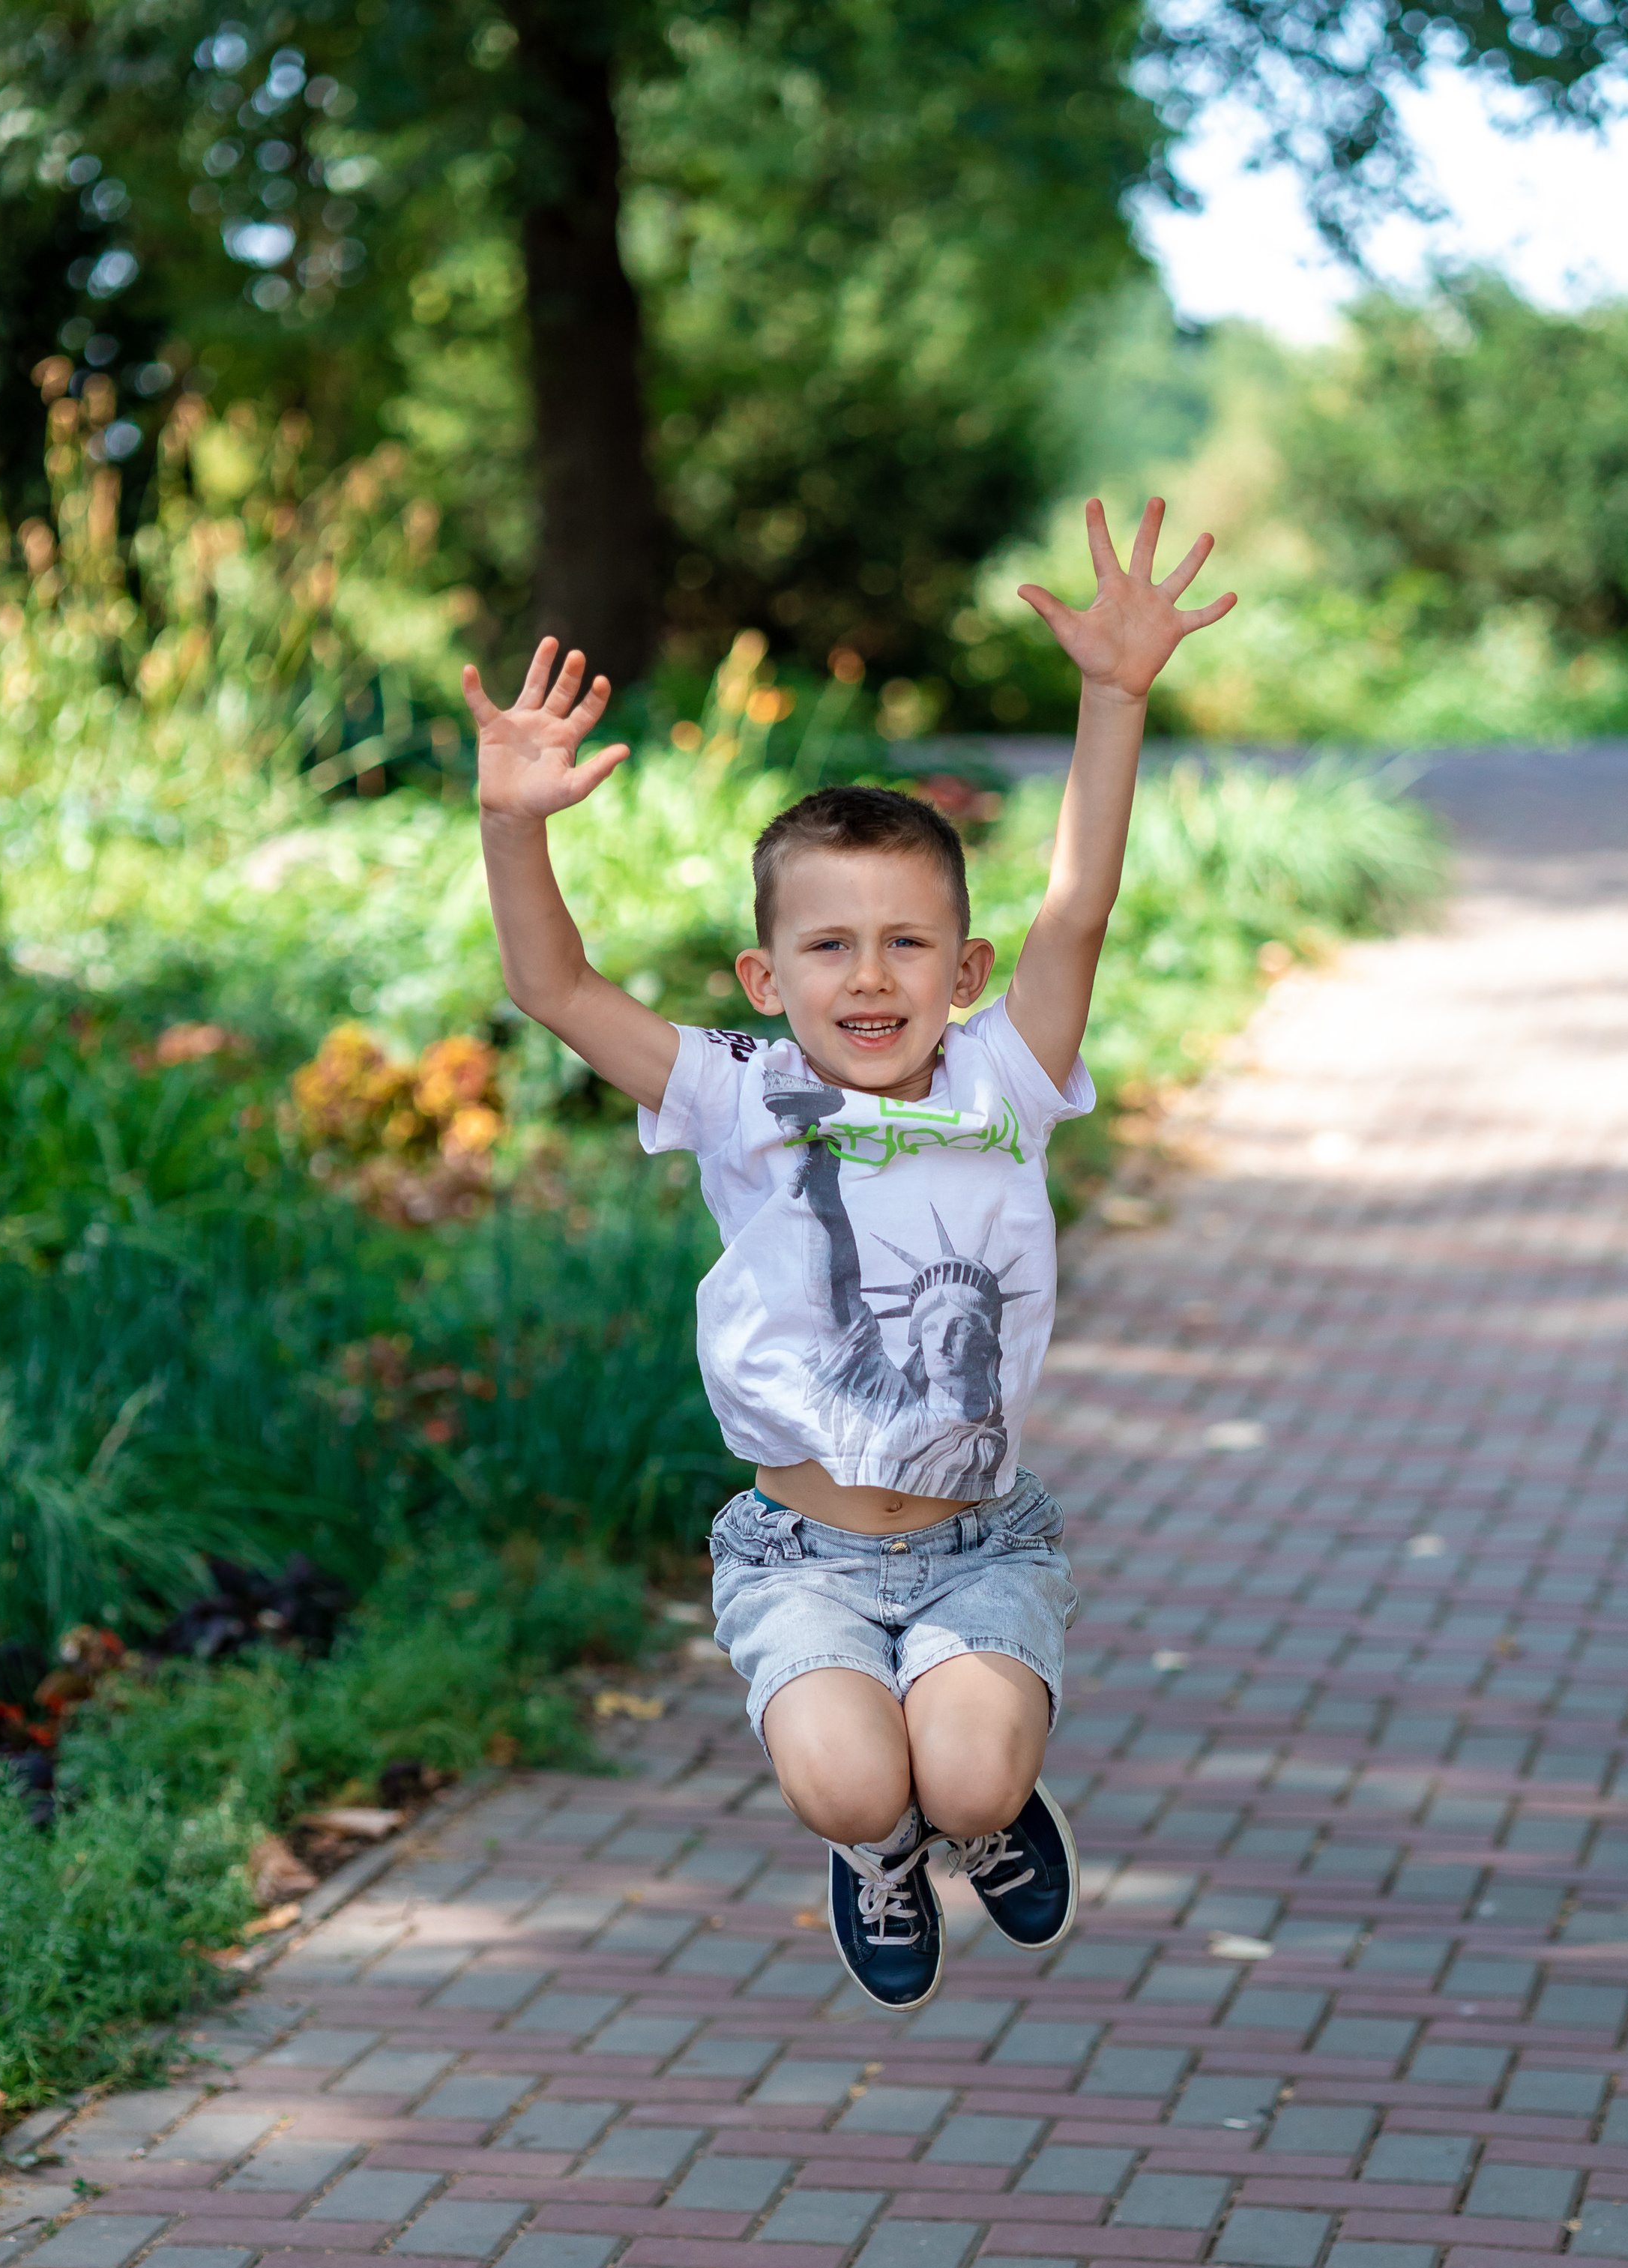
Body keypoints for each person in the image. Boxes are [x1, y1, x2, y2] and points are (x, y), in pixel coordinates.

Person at [465, 498, 1235, 2009]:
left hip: (976, 1546)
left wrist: (1113, 697)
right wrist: (511, 825)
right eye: (828, 946)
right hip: (799, 1555)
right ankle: (879, 1852)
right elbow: (554, 986)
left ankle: (984, 1819)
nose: (869, 976)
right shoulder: (734, 1091)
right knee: (849, 1786)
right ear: (766, 977)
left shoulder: (1004, 1077)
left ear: (965, 970)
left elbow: (1079, 903)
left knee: (967, 1776)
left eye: (905, 944)